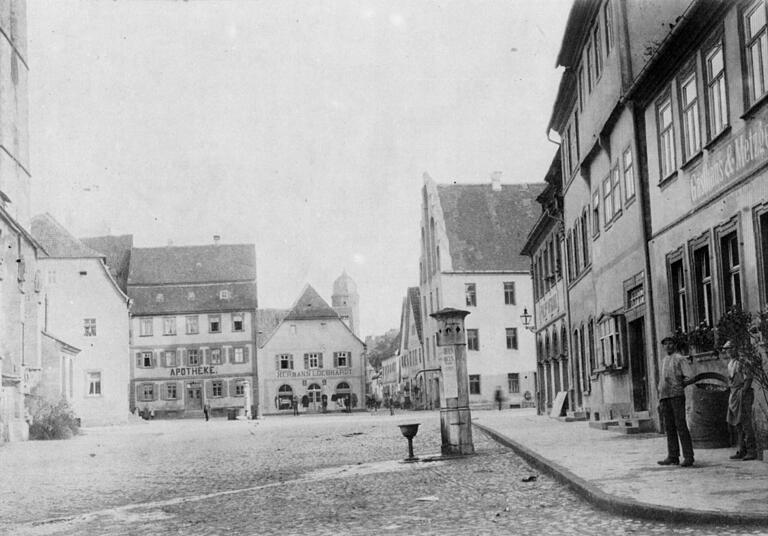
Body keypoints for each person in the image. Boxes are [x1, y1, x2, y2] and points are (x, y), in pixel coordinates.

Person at [657, 335, 695, 467]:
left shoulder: (679, 358)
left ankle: (688, 457)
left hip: (676, 395)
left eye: (670, 343)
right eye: (665, 344)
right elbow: (662, 379)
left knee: (681, 425)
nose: (668, 346)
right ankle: (673, 456)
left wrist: (680, 385)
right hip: (665, 396)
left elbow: (690, 376)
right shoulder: (664, 360)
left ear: (675, 345)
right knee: (669, 427)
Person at [725, 340, 757, 460]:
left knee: (745, 422)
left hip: (742, 394)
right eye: (727, 349)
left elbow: (748, 378)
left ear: (736, 349)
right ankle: (741, 449)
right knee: (737, 424)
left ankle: (751, 450)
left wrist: (743, 392)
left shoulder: (742, 362)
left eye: (731, 348)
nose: (729, 351)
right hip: (734, 394)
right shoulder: (730, 363)